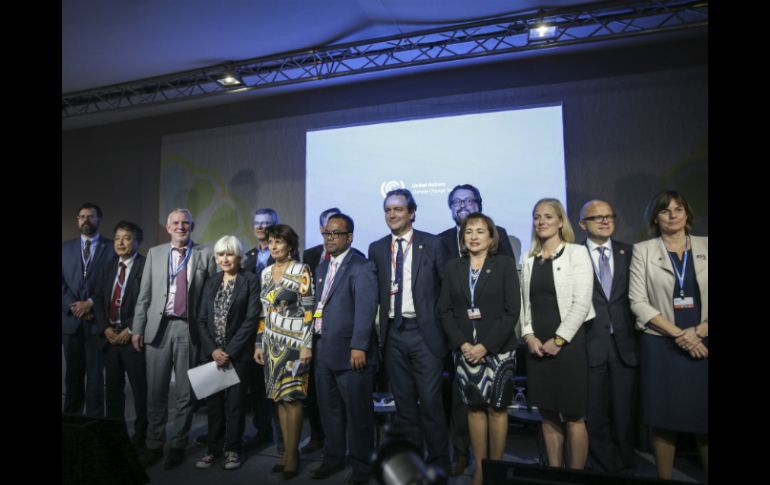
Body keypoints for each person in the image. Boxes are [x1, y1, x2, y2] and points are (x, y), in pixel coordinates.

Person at [368, 188, 450, 474]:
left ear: (411, 213)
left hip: (424, 334)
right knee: (404, 407)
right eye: (388, 210)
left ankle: (439, 462)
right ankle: (414, 463)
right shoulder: (377, 248)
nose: (392, 214)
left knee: (430, 402)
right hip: (393, 335)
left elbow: (446, 291)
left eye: (398, 209)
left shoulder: (433, 243)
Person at [437, 184, 517, 476]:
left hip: (497, 347)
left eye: (480, 231)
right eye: (468, 232)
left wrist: (485, 345)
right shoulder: (449, 259)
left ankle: (495, 469)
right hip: (463, 348)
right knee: (469, 408)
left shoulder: (505, 261)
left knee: (497, 409)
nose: (473, 236)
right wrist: (462, 343)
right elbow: (443, 307)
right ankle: (475, 466)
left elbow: (511, 310)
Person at [629, 190, 707, 480]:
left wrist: (698, 332)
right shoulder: (644, 250)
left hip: (704, 340)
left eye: (678, 209)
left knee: (704, 413)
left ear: (687, 213)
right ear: (655, 218)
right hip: (661, 342)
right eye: (665, 211)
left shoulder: (706, 246)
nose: (673, 215)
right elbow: (637, 302)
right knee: (663, 416)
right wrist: (681, 335)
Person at [132, 208, 217, 469]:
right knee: (155, 391)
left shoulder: (205, 254)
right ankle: (154, 444)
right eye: (176, 223)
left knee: (184, 393)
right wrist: (137, 328)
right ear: (168, 228)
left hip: (188, 330)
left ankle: (178, 444)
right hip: (158, 328)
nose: (181, 227)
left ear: (192, 226)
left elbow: (211, 298)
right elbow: (144, 295)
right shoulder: (156, 254)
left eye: (186, 223)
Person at [517, 198, 595, 469]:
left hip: (568, 345)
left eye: (548, 216)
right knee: (548, 414)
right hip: (537, 346)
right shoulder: (528, 260)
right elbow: (524, 306)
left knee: (574, 416)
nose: (541, 221)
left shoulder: (577, 253)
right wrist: (528, 336)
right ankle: (554, 473)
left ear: (561, 221)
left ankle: (575, 476)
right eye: (537, 216)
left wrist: (559, 340)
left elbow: (582, 302)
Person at [310, 213, 379, 485]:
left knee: (359, 416)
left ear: (349, 237)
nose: (329, 238)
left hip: (352, 354)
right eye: (327, 233)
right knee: (330, 413)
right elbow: (318, 307)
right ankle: (333, 459)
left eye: (335, 233)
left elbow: (365, 310)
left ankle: (362, 468)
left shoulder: (361, 266)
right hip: (322, 351)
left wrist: (359, 346)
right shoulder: (321, 268)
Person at [578, 200, 639, 474]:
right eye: (597, 217)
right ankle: (604, 467)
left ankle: (626, 465)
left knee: (625, 412)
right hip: (590, 343)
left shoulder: (630, 252)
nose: (605, 221)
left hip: (625, 343)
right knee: (597, 412)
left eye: (609, 216)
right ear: (583, 224)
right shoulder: (574, 254)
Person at [253, 224, 314, 479]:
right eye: (271, 241)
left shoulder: (301, 270)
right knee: (279, 399)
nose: (274, 246)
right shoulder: (266, 273)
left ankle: (292, 455)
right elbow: (263, 312)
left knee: (294, 399)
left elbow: (309, 311)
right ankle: (287, 452)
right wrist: (258, 343)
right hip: (271, 345)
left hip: (295, 345)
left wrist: (306, 345)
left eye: (279, 241)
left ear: (291, 245)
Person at [194, 236, 261, 471]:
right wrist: (213, 350)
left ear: (239, 257)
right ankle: (213, 450)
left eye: (229, 254)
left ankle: (232, 450)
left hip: (237, 355)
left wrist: (228, 352)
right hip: (212, 354)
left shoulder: (250, 280)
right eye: (220, 254)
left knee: (235, 406)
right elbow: (201, 319)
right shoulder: (211, 281)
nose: (225, 258)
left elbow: (251, 320)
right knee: (213, 407)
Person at [92, 221, 148, 449]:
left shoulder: (146, 266)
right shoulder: (107, 266)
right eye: (117, 238)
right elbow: (96, 298)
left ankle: (141, 437)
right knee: (113, 391)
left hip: (132, 340)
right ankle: (116, 434)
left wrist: (132, 329)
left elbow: (150, 302)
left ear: (137, 241)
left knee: (140, 390)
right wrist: (104, 327)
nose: (120, 243)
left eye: (126, 238)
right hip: (110, 338)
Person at [62, 202, 115, 417]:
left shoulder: (111, 248)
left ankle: (94, 424)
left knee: (95, 377)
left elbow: (112, 282)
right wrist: (74, 305)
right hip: (71, 322)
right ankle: (71, 423)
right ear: (77, 221)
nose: (86, 220)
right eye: (82, 216)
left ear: (99, 220)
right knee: (72, 376)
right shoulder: (64, 248)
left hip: (97, 321)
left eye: (91, 216)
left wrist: (91, 302)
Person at [299, 207, 341, 455]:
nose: (330, 232)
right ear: (320, 229)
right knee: (314, 389)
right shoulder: (310, 255)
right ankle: (317, 435)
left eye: (335, 228)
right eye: (326, 228)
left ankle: (339, 441)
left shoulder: (355, 256)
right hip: (312, 332)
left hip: (337, 333)